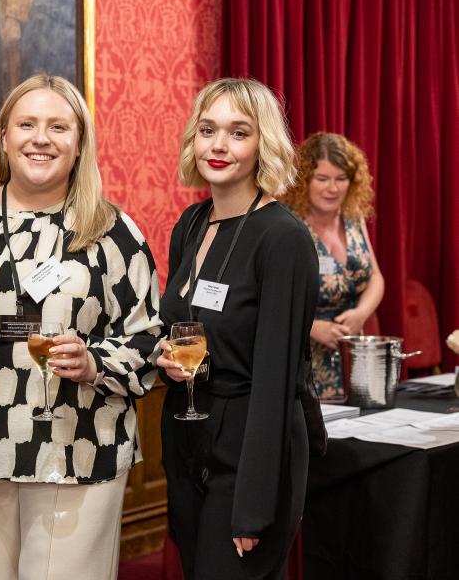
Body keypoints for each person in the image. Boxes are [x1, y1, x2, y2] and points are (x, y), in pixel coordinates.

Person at [0, 74, 162, 580]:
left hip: (79, 446)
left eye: (58, 126)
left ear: (80, 143)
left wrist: (96, 361)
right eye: (26, 124)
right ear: (3, 137)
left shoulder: (113, 231)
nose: (41, 138)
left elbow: (147, 338)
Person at [155, 78, 318, 580]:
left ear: (262, 144)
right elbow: (183, 327)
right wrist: (165, 357)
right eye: (208, 130)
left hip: (250, 459)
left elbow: (276, 381)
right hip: (188, 445)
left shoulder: (283, 239)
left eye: (238, 132)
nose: (219, 145)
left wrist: (254, 506)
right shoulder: (191, 223)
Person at [282, 132, 385, 401]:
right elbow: (268, 298)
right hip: (302, 357)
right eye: (323, 179)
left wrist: (361, 314)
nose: (333, 188)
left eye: (341, 179)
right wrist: (311, 327)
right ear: (305, 181)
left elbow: (375, 277)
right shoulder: (287, 225)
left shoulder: (354, 218)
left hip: (354, 357)